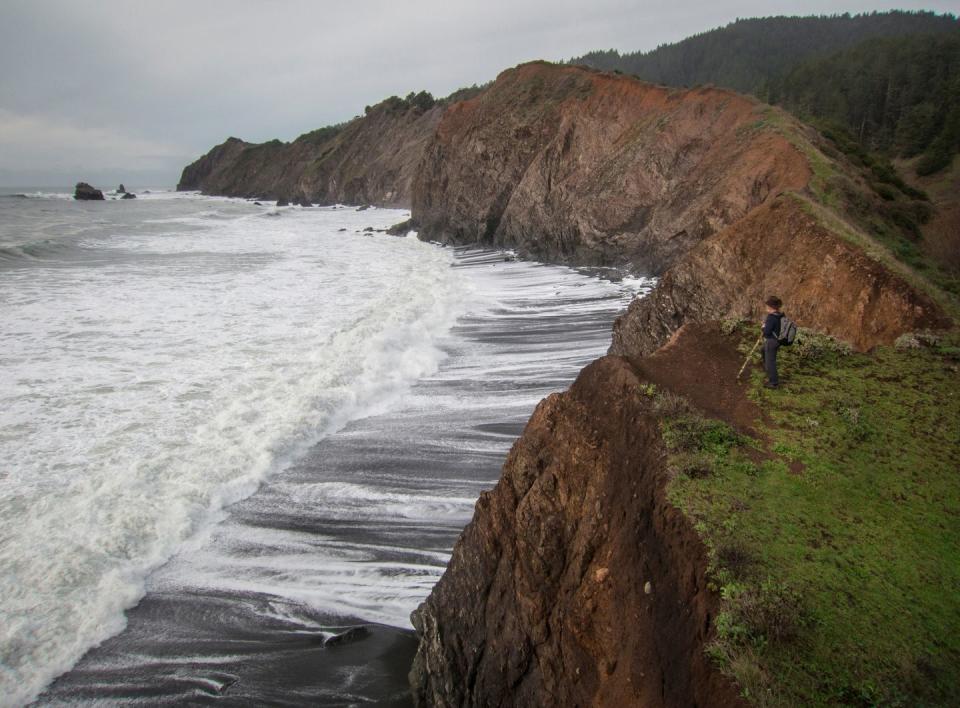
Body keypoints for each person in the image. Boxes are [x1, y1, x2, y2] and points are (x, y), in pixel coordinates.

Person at [760, 296, 784, 389]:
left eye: (767, 306)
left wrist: (763, 327)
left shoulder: (771, 317)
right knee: (762, 350)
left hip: (772, 342)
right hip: (778, 340)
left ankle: (773, 383)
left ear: (771, 307)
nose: (766, 308)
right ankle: (768, 369)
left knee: (771, 362)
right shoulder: (780, 315)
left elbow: (766, 332)